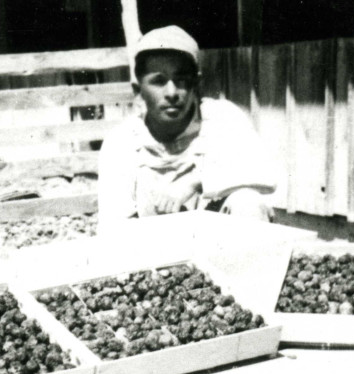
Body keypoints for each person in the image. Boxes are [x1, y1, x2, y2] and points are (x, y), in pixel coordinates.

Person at [98, 26, 276, 228]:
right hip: (154, 248)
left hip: (222, 245)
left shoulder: (222, 118)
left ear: (196, 84)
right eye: (159, 81)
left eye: (181, 80)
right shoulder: (122, 140)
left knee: (248, 202)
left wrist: (194, 183)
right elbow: (112, 226)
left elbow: (265, 174)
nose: (172, 92)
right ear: (138, 91)